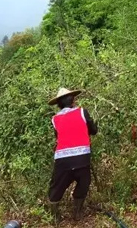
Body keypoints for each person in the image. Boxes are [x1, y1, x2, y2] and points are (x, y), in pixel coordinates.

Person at [48, 87, 98, 223]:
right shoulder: (82, 112)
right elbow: (93, 130)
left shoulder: (55, 119)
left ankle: (55, 217)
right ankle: (77, 213)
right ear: (73, 100)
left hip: (62, 159)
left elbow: (58, 137)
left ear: (59, 104)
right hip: (82, 157)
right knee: (84, 182)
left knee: (56, 186)